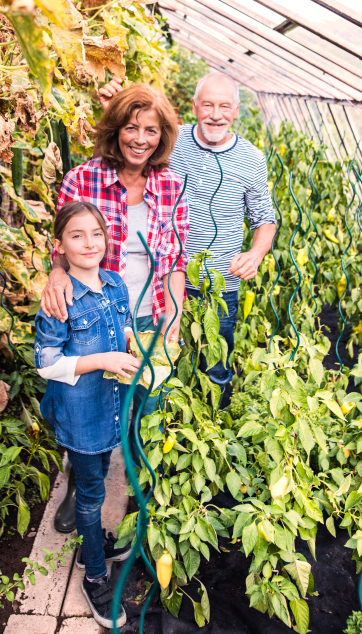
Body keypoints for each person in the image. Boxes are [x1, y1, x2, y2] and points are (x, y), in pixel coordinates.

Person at [40, 83, 189, 531]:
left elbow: (175, 259)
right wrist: (55, 273)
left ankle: (138, 497)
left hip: (148, 312)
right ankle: (82, 485)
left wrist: (174, 316)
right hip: (92, 316)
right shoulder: (82, 178)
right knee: (87, 404)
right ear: (115, 130)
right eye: (131, 128)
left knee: (143, 402)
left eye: (151, 130)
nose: (140, 139)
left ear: (162, 136)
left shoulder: (171, 185)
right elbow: (61, 249)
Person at [98, 72, 276, 402]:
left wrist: (256, 254)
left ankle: (213, 424)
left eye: (225, 106)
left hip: (218, 284)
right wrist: (115, 112)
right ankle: (166, 424)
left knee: (214, 363)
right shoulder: (169, 140)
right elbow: (125, 152)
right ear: (194, 107)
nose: (216, 114)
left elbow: (265, 218)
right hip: (161, 281)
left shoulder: (252, 159)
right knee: (159, 364)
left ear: (237, 111)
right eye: (207, 105)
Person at [34, 201, 140, 628]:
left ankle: (92, 543)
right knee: (92, 494)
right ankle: (94, 573)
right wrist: (104, 359)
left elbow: (123, 326)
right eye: (76, 235)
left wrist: (138, 341)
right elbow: (47, 363)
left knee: (97, 476)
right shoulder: (59, 297)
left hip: (109, 407)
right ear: (59, 245)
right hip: (81, 415)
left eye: (96, 233)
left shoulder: (115, 284)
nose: (89, 243)